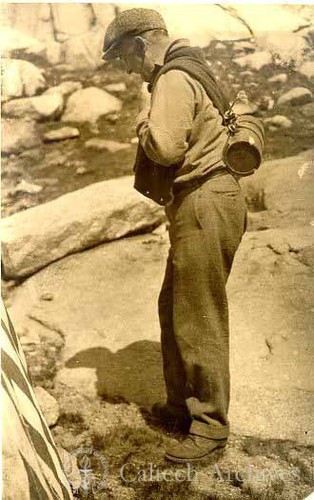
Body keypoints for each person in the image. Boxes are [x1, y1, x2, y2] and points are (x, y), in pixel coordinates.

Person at [102, 8, 247, 463]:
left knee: (197, 315)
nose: (126, 71)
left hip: (204, 201)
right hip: (209, 198)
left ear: (141, 45)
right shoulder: (191, 63)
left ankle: (209, 429)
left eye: (123, 59)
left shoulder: (171, 79)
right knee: (174, 306)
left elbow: (166, 146)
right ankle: (182, 406)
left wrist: (143, 127)